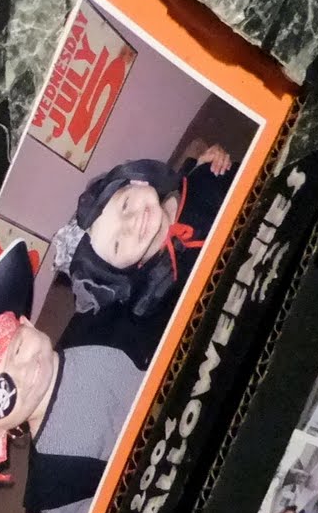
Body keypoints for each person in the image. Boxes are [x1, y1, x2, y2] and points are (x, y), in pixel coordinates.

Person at [0, 310, 146, 513]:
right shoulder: (56, 484)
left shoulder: (103, 324)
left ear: (27, 324)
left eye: (17, 349)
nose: (21, 372)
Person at [50, 144, 236, 367]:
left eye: (125, 205)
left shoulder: (205, 178)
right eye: (117, 244)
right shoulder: (150, 304)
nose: (132, 223)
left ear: (137, 181)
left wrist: (204, 167)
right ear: (117, 272)